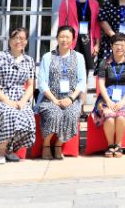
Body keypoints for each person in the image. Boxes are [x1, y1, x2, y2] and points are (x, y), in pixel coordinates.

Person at [0, 27, 36, 164]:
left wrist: (23, 101)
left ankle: (9, 148)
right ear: (9, 40)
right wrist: (6, 100)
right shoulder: (0, 56)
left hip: (20, 99)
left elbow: (31, 85)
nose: (18, 41)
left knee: (28, 118)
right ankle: (0, 150)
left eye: (22, 38)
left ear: (26, 41)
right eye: (15, 38)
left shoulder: (29, 60)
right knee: (10, 114)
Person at [36, 26, 86, 159]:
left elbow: (82, 82)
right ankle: (46, 145)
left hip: (71, 98)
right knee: (54, 113)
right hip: (50, 98)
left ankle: (58, 145)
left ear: (73, 39)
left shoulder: (79, 57)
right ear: (57, 38)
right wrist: (54, 100)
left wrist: (71, 98)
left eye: (68, 37)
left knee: (71, 113)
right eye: (62, 36)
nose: (64, 40)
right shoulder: (48, 57)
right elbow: (42, 82)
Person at [94, 33, 125, 157]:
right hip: (107, 96)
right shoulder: (104, 63)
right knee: (109, 116)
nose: (119, 47)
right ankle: (110, 145)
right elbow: (101, 83)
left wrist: (123, 101)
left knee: (121, 116)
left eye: (122, 45)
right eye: (116, 44)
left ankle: (118, 145)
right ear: (111, 46)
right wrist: (108, 101)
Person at [56, 0, 99, 73]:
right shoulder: (66, 2)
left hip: (88, 40)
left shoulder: (94, 3)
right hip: (72, 39)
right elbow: (61, 24)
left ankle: (83, 83)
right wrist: (61, 41)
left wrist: (97, 44)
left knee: (85, 68)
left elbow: (97, 25)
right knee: (70, 67)